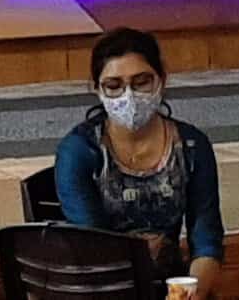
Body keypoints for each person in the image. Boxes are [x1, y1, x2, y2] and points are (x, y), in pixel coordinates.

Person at [55, 28, 223, 296]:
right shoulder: (79, 151)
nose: (129, 96)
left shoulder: (192, 146)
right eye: (114, 86)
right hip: (103, 288)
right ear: (97, 90)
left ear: (161, 80)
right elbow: (93, 248)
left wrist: (190, 293)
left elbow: (206, 241)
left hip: (170, 283)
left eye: (141, 82)